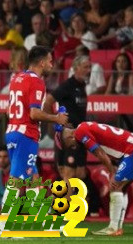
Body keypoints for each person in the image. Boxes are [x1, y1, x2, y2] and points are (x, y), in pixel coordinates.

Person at [0, 46, 68, 237]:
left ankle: (39, 220)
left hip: (12, 130)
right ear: (42, 62)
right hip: (25, 134)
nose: (52, 64)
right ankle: (4, 227)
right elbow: (34, 113)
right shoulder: (37, 82)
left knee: (33, 179)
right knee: (17, 180)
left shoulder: (16, 78)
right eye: (50, 61)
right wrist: (56, 119)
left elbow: (9, 110)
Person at [61, 122, 133, 236]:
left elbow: (100, 154)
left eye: (68, 144)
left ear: (70, 137)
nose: (72, 147)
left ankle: (113, 228)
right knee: (122, 188)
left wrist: (112, 172)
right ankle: (118, 227)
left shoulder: (80, 133)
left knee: (115, 186)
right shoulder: (84, 126)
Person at [43, 55, 90, 189]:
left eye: (90, 67)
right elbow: (48, 101)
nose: (89, 70)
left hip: (81, 135)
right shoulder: (68, 85)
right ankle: (67, 209)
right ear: (76, 68)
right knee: (68, 175)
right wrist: (53, 121)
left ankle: (79, 205)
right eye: (86, 67)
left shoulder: (82, 86)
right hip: (68, 135)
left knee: (81, 174)